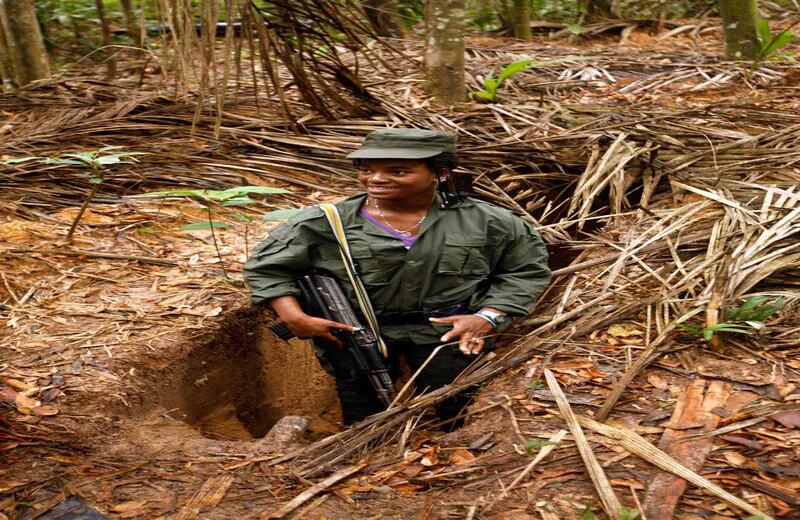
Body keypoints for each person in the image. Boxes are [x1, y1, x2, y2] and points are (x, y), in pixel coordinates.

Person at [244, 128, 551, 427]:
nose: (376, 179)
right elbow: (267, 268)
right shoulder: (323, 223)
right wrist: (294, 317)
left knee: (458, 410)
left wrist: (487, 317)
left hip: (447, 334)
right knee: (363, 418)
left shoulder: (488, 221)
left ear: (439, 174)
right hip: (356, 335)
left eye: (398, 171)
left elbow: (525, 270)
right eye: (367, 169)